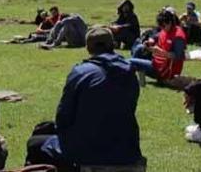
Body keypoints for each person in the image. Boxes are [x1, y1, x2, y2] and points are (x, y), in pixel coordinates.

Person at [26, 28, 145, 171]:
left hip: (89, 150)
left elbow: (63, 117)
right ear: (113, 44)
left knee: (35, 144)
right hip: (127, 149)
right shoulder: (129, 73)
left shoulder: (81, 72)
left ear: (88, 48)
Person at [129, 9, 186, 83]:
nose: (162, 28)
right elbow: (156, 36)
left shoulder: (178, 37)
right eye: (160, 26)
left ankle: (129, 79)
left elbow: (179, 56)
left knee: (131, 61)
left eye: (163, 26)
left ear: (170, 22)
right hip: (156, 62)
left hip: (165, 71)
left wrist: (161, 52)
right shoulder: (165, 30)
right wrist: (150, 42)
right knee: (139, 48)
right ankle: (136, 79)